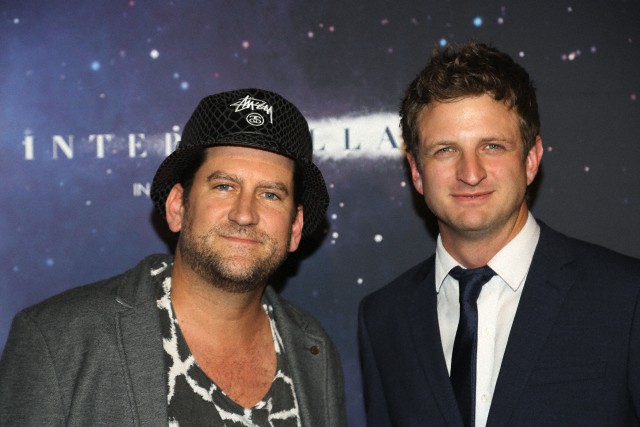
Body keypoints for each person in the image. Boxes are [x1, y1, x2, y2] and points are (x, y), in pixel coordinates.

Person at [0, 88, 346, 426]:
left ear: (295, 226)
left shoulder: (312, 348)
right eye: (224, 186)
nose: (244, 214)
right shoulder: (58, 340)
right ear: (178, 206)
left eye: (270, 194)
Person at [358, 42, 640, 426]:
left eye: (492, 146)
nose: (470, 172)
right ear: (417, 172)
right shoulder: (383, 318)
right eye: (445, 150)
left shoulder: (625, 298)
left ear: (531, 159)